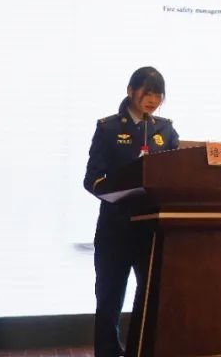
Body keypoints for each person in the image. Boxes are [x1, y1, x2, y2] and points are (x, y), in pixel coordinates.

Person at [83, 66, 180, 357]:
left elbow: (179, 173)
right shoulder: (109, 128)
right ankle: (108, 352)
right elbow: (92, 178)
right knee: (109, 297)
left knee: (150, 295)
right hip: (115, 226)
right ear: (130, 91)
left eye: (158, 95)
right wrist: (118, 191)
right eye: (147, 93)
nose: (153, 100)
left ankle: (140, 349)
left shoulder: (165, 130)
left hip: (151, 230)